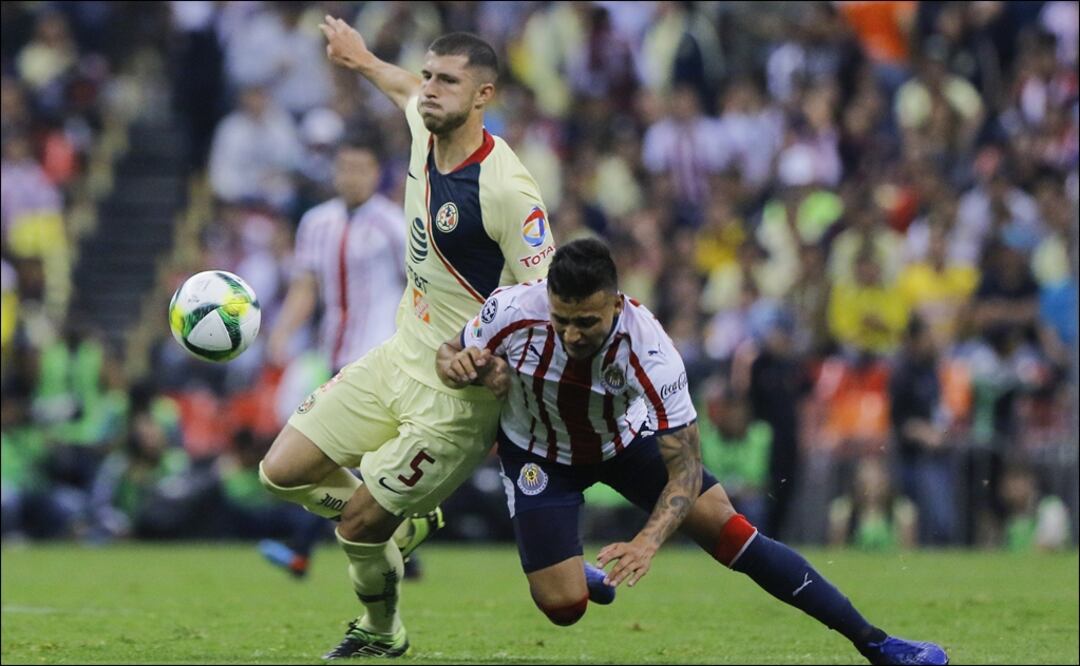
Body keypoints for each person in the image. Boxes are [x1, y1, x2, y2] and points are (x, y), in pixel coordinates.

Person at [436, 239, 948, 666]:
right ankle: (578, 575)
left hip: (622, 444)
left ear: (616, 304)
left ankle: (877, 643)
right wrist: (456, 366)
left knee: (730, 531)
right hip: (537, 452)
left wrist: (646, 542)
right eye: (562, 318)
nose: (572, 334)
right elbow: (447, 351)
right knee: (563, 607)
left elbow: (684, 471)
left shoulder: (651, 351)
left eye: (586, 322)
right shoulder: (510, 309)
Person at [257, 17, 556, 659]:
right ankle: (407, 523)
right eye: (427, 75)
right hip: (397, 358)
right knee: (280, 471)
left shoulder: (507, 188)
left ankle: (381, 629)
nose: (428, 90)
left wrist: (497, 360)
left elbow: (547, 301)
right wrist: (361, 56)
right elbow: (398, 86)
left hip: (455, 402)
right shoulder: (424, 123)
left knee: (360, 526)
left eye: (448, 81)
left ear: (484, 96)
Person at [259, 133, 432, 580]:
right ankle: (400, 543)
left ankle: (306, 549)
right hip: (333, 353)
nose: (351, 177)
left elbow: (418, 288)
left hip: (379, 355)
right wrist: (281, 332)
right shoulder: (316, 223)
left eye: (361, 168)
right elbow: (305, 287)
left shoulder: (395, 224)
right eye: (344, 168)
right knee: (338, 460)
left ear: (377, 173)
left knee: (339, 459)